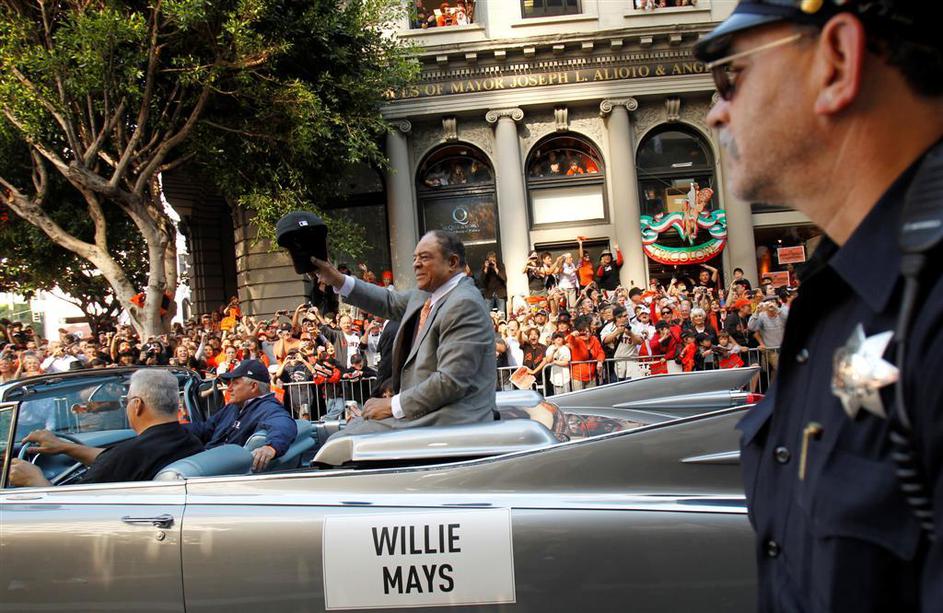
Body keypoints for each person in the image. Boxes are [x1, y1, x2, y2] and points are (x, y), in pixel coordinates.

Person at [696, 1, 943, 610]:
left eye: (731, 75)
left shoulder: (926, 300)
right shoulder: (840, 292)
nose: (715, 111)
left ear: (837, 61)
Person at [311, 230, 496, 435]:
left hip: (452, 419)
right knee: (347, 429)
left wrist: (392, 405)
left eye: (424, 257)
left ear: (452, 262)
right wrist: (337, 279)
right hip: (427, 412)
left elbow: (451, 381)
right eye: (414, 258)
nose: (416, 264)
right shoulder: (427, 295)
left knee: (343, 441)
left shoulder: (464, 303)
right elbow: (388, 301)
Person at [9, 370, 204, 487]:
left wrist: (34, 479)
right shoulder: (188, 440)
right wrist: (65, 447)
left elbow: (73, 508)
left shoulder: (131, 454)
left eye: (126, 401)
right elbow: (114, 459)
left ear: (137, 405)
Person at [186, 359, 297, 472]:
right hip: (208, 460)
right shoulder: (233, 407)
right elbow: (207, 428)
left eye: (235, 383)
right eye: (229, 383)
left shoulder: (269, 408)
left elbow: (284, 424)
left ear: (253, 387)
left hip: (221, 469)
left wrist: (272, 447)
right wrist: (176, 429)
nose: (229, 388)